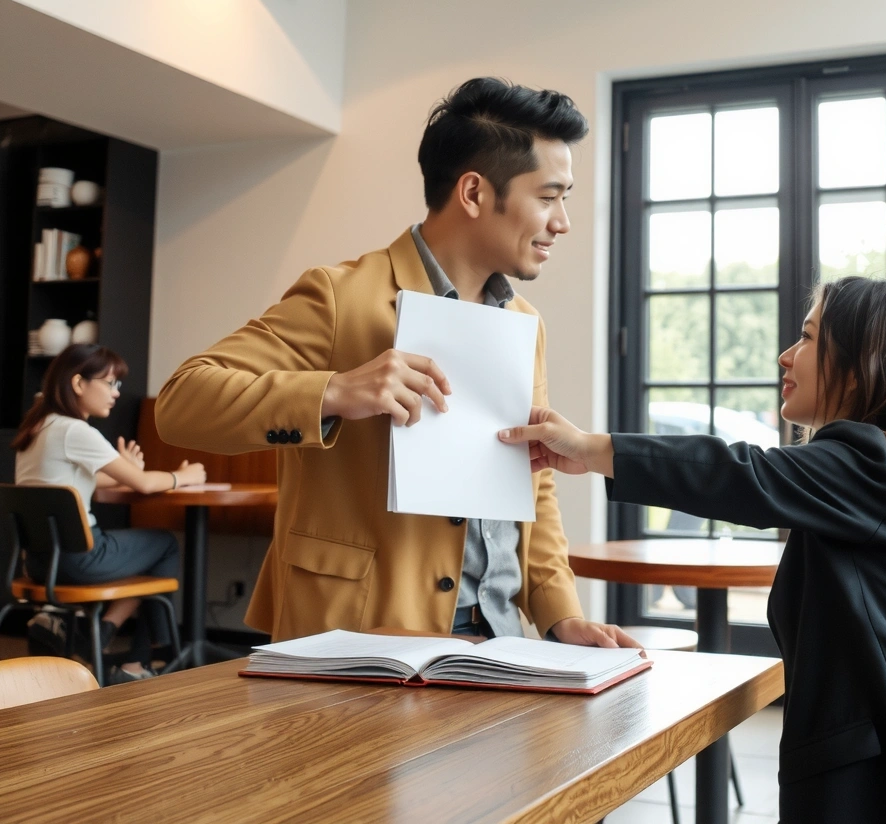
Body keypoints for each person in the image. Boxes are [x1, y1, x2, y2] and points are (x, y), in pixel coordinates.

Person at [499, 276, 886, 823]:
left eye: (808, 337)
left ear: (866, 363)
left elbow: (743, 473)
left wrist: (591, 449)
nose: (785, 355)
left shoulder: (878, 467)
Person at [156, 77, 637, 649]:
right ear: (475, 193)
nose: (562, 222)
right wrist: (333, 392)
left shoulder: (524, 320)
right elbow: (180, 402)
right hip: (362, 637)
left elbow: (532, 479)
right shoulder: (338, 297)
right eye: (549, 196)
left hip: (504, 641)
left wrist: (561, 613)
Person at [12, 344, 206, 683]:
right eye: (109, 383)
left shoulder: (39, 428)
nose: (116, 393)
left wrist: (124, 468)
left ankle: (104, 640)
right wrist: (184, 477)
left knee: (151, 555)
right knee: (165, 545)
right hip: (81, 559)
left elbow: (80, 480)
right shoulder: (76, 430)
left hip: (40, 563)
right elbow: (144, 484)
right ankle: (136, 657)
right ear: (78, 384)